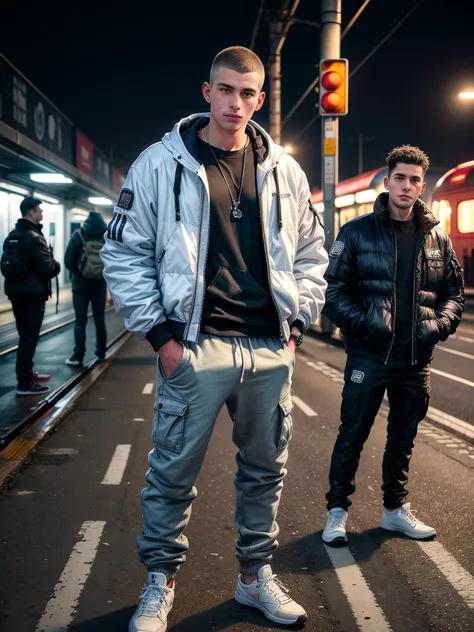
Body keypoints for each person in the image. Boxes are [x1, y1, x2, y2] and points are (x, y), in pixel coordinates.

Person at [101, 46, 327, 631]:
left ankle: (254, 578)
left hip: (269, 346)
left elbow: (310, 254)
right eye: (225, 90)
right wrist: (162, 338)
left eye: (248, 93)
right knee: (173, 471)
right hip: (195, 344)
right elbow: (123, 254)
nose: (236, 103)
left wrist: (295, 326)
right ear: (207, 92)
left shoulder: (286, 170)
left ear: (260, 98)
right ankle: (160, 581)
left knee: (265, 470)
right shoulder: (160, 163)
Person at [321, 145, 464, 546]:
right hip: (370, 354)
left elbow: (455, 294)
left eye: (415, 179)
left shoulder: (437, 236)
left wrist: (435, 326)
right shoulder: (356, 232)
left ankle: (394, 512)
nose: (407, 185)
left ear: (422, 186)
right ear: (387, 182)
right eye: (400, 178)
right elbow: (333, 294)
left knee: (403, 438)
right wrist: (370, 328)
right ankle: (337, 512)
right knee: (353, 433)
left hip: (416, 359)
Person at [1, 196, 60, 395]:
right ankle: (25, 384)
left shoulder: (14, 234)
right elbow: (48, 268)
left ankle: (26, 375)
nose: (42, 214)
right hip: (33, 295)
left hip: (17, 294)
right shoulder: (34, 237)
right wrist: (56, 264)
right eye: (39, 210)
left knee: (25, 336)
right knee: (30, 338)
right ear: (30, 213)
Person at [64, 210, 108, 366]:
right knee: (99, 320)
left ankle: (78, 356)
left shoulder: (79, 235)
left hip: (80, 286)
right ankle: (101, 352)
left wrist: (80, 273)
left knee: (80, 322)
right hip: (100, 285)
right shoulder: (107, 236)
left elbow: (68, 260)